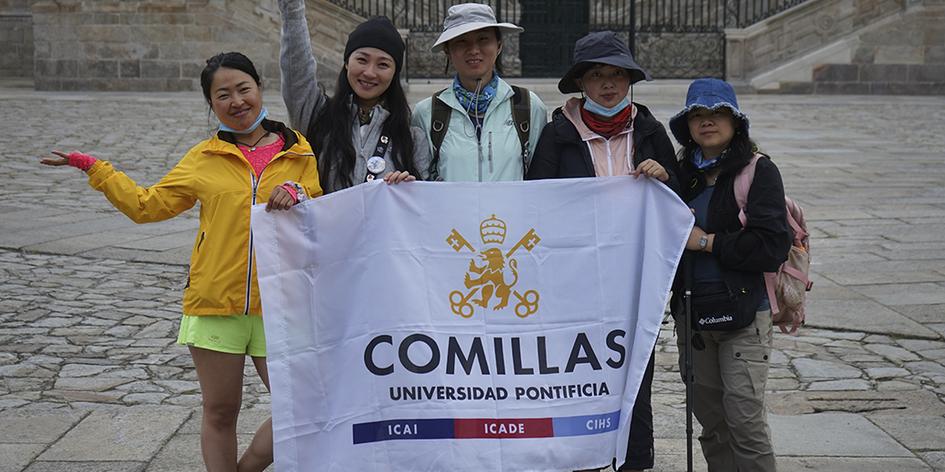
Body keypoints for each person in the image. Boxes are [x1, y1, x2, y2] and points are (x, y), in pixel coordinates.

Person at [40, 52, 322, 472]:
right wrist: (95, 168)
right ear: (212, 104)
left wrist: (299, 197)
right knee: (221, 411)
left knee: (304, 408)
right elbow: (147, 206)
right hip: (213, 304)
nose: (236, 101)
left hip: (279, 304)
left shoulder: (298, 152)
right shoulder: (203, 158)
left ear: (260, 88)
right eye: (222, 94)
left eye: (243, 89)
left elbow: (318, 208)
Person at [526, 31, 680, 472]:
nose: (608, 85)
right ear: (582, 83)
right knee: (576, 373)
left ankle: (634, 460)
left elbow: (676, 201)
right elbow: (537, 201)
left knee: (636, 374)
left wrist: (662, 175)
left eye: (617, 75)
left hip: (633, 279)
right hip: (575, 281)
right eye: (597, 76)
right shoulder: (558, 134)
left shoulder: (650, 131)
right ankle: (580, 458)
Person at [669, 78, 791, 472]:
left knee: (744, 420)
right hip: (694, 318)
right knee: (713, 424)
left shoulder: (759, 171)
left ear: (736, 122)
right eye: (697, 115)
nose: (707, 122)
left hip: (744, 314)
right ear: (687, 125)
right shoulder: (680, 176)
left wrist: (707, 243)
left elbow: (771, 246)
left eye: (718, 114)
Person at [279, 0, 430, 193]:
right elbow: (297, 69)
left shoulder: (412, 138)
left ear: (394, 74)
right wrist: (292, 8)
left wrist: (410, 188)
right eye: (362, 60)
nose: (369, 72)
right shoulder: (316, 115)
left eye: (382, 65)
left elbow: (424, 205)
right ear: (346, 63)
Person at [412, 3, 548, 182]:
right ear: (448, 50)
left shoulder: (527, 106)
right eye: (461, 41)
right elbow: (421, 181)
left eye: (483, 39)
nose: (474, 50)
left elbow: (539, 179)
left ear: (498, 45)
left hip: (510, 211)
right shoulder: (427, 112)